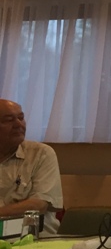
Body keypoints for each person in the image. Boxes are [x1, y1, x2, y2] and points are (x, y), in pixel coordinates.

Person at [0, 98, 63, 234]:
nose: (18, 124)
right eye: (9, 120)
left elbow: (39, 205)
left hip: (34, 238)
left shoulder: (41, 154)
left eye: (21, 118)